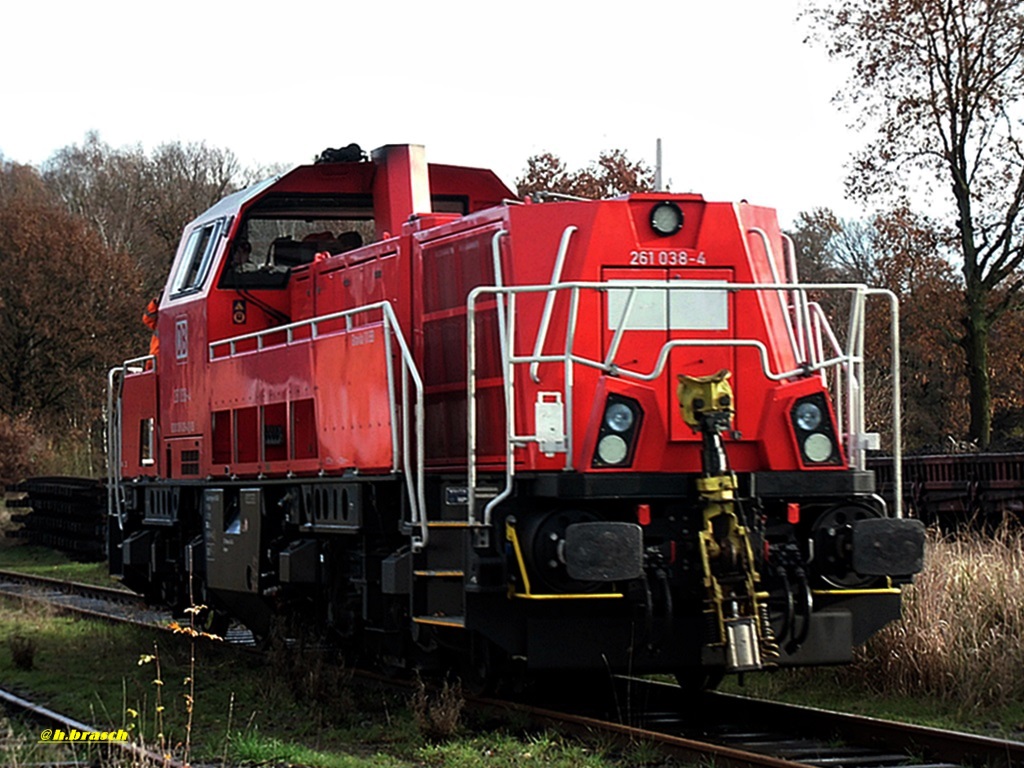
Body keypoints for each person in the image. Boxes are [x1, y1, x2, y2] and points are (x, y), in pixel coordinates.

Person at [142, 296, 160, 365]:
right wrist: (155, 303)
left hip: (157, 360)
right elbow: (147, 319)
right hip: (156, 360)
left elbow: (147, 319)